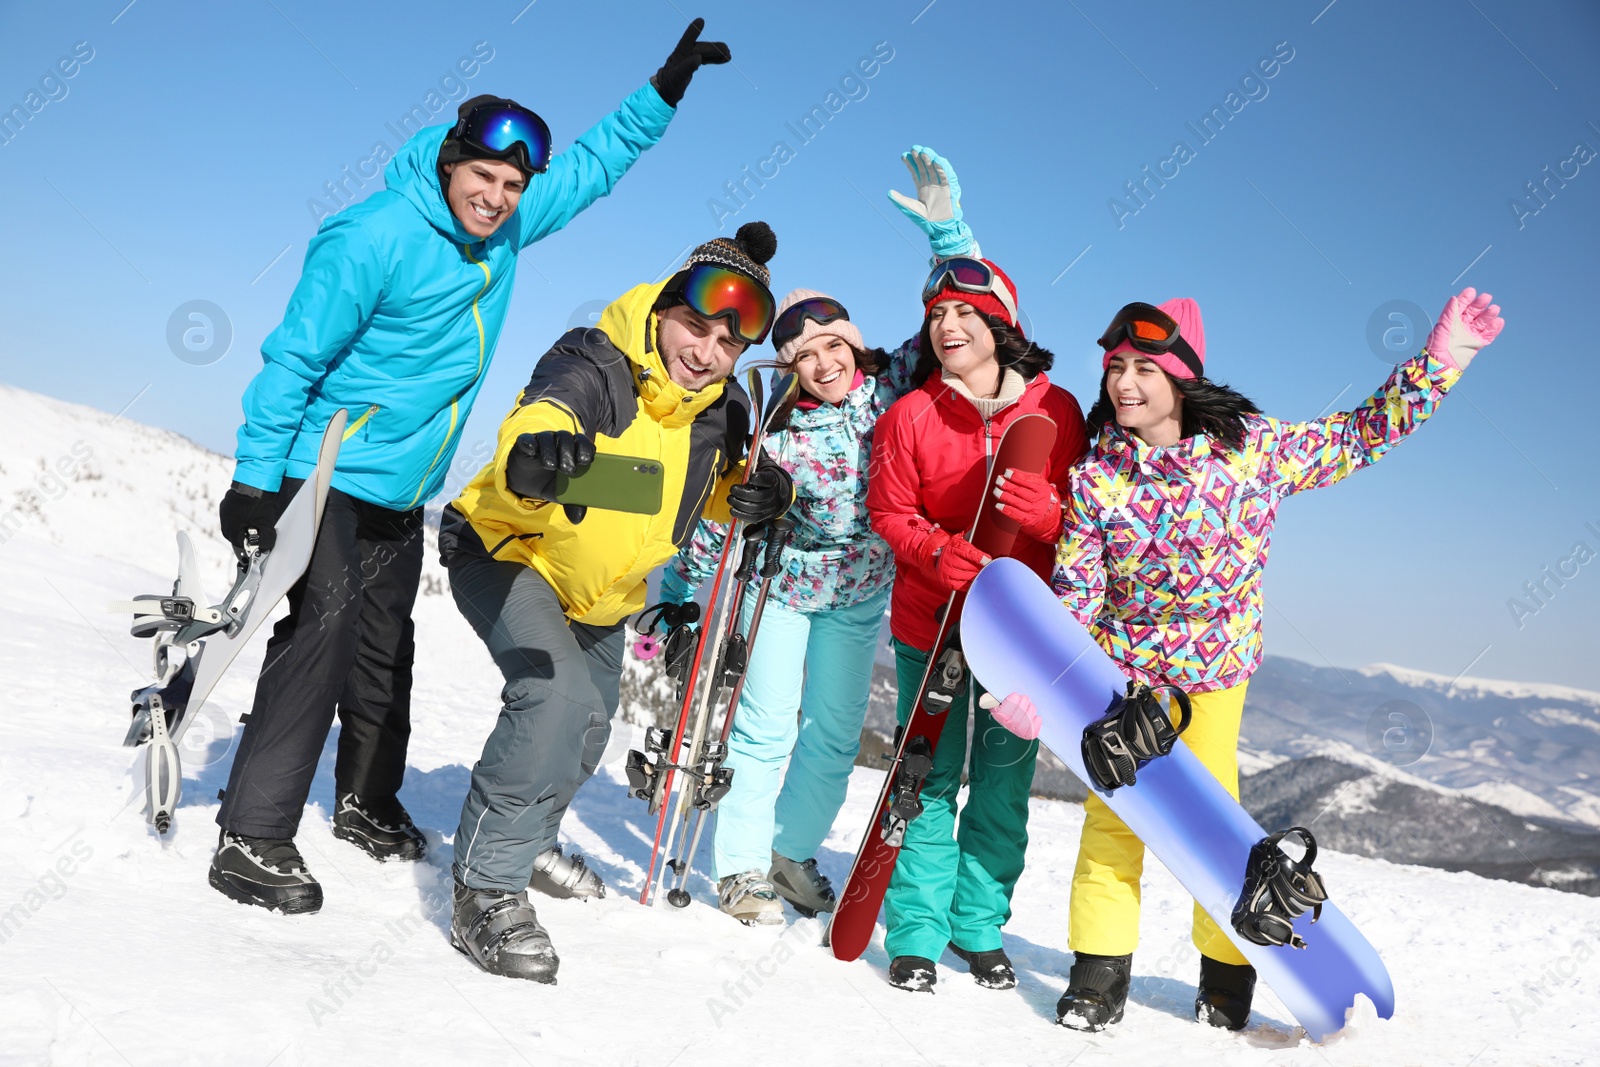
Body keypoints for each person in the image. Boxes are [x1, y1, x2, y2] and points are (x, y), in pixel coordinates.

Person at [206, 21, 736, 917]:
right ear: (449, 164)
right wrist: (256, 480)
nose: (496, 197)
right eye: (482, 176)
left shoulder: (503, 231)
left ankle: (368, 799)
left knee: (385, 649)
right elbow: (293, 357)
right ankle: (252, 832)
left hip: (403, 488)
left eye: (511, 183)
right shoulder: (373, 234)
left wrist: (663, 91)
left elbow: (592, 168)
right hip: (326, 471)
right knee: (320, 642)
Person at [989, 289, 1504, 1031]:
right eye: (1115, 368)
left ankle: (1227, 974)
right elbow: (1077, 596)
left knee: (1215, 829)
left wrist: (1440, 362)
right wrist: (1042, 687)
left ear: (1182, 377)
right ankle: (1098, 977)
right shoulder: (1100, 476)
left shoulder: (1250, 450)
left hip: (1216, 678)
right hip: (1124, 679)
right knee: (1112, 825)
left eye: (1142, 367)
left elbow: (1358, 435)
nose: (1123, 383)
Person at [440, 223, 797, 984]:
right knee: (554, 697)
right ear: (665, 310)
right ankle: (483, 882)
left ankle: (528, 838)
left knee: (591, 719)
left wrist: (759, 495)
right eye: (694, 328)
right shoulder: (598, 360)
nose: (703, 352)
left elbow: (708, 490)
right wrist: (539, 451)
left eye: (726, 345)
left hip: (599, 590)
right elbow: (547, 410)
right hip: (511, 548)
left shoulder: (719, 411)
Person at [865, 159, 1090, 991]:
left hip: (1023, 637)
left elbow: (1093, 524)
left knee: (1002, 784)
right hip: (931, 620)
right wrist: (930, 548)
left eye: (966, 311)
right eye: (937, 314)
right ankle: (917, 928)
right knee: (926, 781)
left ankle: (977, 923)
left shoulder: (1056, 411)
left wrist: (1048, 519)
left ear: (1003, 326)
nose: (948, 324)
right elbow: (888, 512)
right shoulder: (909, 413)